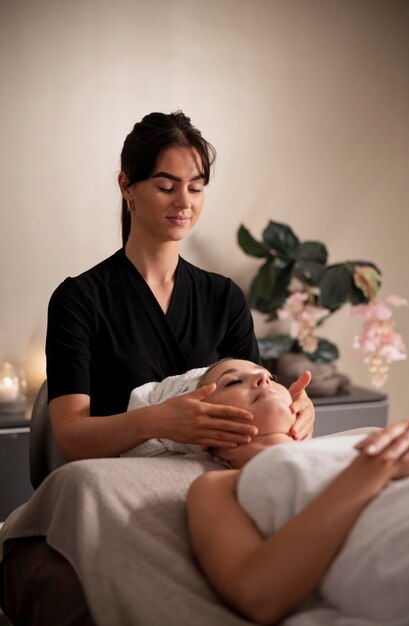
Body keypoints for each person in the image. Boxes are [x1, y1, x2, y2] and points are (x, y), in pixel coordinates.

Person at [0, 111, 315, 625]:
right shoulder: (80, 299)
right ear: (126, 185)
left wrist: (297, 412)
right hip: (127, 486)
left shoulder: (222, 297)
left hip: (219, 483)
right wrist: (162, 420)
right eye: (166, 185)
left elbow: (259, 401)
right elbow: (72, 437)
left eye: (196, 186)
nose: (184, 202)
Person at [187, 359, 409, 625]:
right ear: (203, 427)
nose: (263, 380)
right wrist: (374, 469)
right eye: (233, 381)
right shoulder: (217, 486)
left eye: (270, 376)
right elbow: (258, 596)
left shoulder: (363, 439)